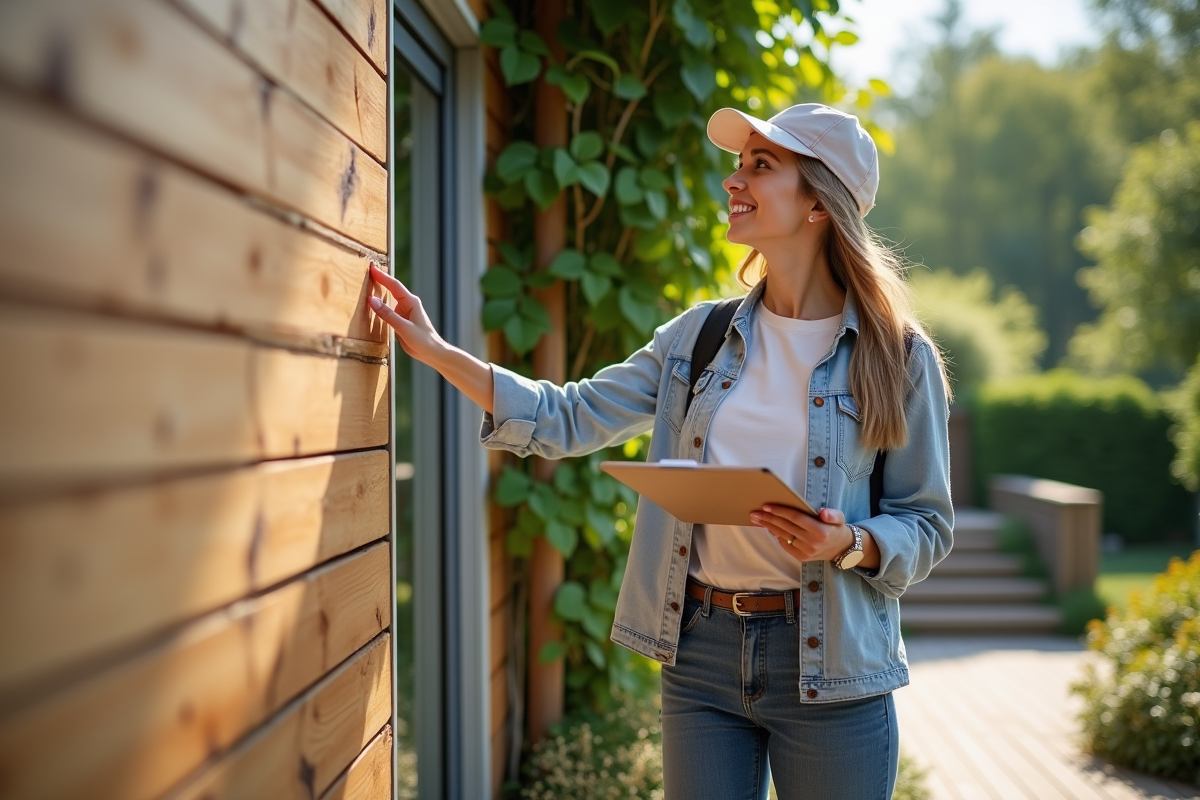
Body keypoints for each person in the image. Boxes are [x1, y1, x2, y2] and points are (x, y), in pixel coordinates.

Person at [366, 103, 953, 800]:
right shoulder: (697, 339)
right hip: (700, 653)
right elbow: (570, 414)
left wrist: (849, 542)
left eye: (762, 166)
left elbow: (926, 524)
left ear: (819, 202)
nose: (735, 180)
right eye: (738, 164)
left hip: (832, 667)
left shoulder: (897, 358)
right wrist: (436, 353)